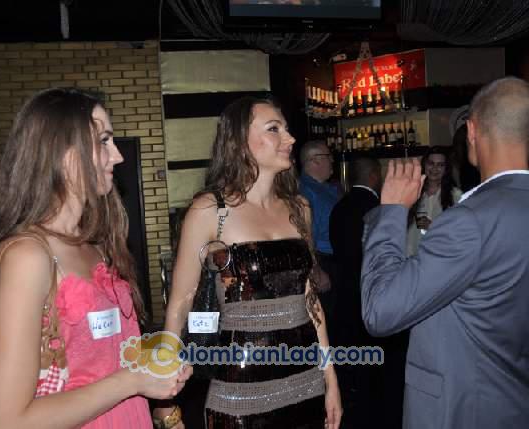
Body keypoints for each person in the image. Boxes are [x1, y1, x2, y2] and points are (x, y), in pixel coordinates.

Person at [361, 77, 529, 428]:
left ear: (472, 131)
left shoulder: (469, 221)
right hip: (520, 406)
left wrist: (392, 213)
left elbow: (379, 310)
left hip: (459, 413)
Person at [0, 88, 191, 428]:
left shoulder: (96, 245)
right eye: (104, 141)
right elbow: (5, 421)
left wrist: (157, 383)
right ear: (61, 152)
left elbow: (103, 359)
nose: (117, 156)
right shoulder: (28, 256)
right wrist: (132, 381)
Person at [155, 96, 342, 428]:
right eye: (274, 129)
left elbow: (310, 299)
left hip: (305, 379)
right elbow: (180, 305)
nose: (290, 138)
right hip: (240, 387)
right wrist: (164, 396)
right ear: (240, 141)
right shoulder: (211, 210)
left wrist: (330, 378)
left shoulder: (299, 208)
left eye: (286, 128)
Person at [329, 157, 407, 429]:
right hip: (373, 294)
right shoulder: (378, 210)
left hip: (345, 295)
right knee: (381, 373)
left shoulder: (339, 208)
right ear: (374, 176)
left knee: (355, 367)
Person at [299, 140, 342, 320]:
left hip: (335, 263)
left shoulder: (327, 188)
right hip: (323, 263)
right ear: (315, 160)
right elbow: (304, 235)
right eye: (328, 156)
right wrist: (316, 270)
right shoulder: (305, 192)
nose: (332, 160)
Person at [406, 146, 462, 256]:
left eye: (440, 165)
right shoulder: (412, 192)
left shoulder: (456, 196)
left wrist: (434, 226)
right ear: (424, 165)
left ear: (446, 169)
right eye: (431, 163)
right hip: (411, 255)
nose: (434, 168)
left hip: (441, 255)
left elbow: (460, 230)